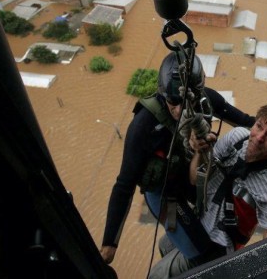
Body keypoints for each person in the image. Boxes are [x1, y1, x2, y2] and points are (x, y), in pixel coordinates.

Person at [100, 52, 258, 266]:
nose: (180, 109)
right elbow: (124, 185)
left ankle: (172, 244)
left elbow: (246, 122)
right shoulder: (144, 125)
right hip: (164, 194)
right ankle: (175, 251)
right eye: (173, 102)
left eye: (186, 102)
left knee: (223, 233)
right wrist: (110, 243)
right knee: (207, 259)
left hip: (196, 179)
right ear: (162, 94)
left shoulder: (207, 101)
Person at [149, 104, 267, 278]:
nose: (258, 137)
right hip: (197, 221)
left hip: (216, 248)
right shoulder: (237, 137)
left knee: (157, 275)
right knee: (165, 245)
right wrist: (198, 151)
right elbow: (195, 179)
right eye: (258, 126)